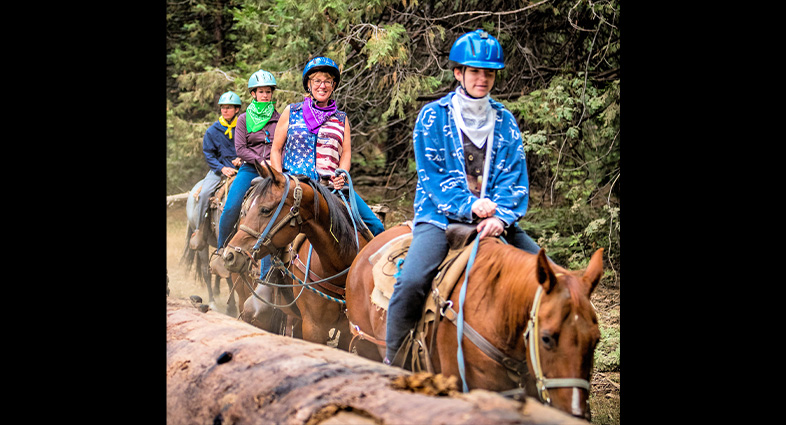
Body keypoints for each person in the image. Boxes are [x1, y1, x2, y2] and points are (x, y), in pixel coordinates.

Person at [384, 29, 544, 364]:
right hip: (440, 218)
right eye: (474, 71)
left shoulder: (505, 121)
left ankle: (537, 363)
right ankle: (393, 362)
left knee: (551, 278)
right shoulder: (433, 117)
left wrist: (500, 216)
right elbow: (432, 175)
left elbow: (515, 177)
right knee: (412, 282)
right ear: (459, 73)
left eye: (488, 72)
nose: (482, 79)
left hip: (494, 222)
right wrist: (469, 205)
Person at [269, 56, 385, 237]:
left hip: (331, 188)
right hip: (295, 186)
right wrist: (279, 180)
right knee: (271, 230)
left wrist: (341, 175)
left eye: (328, 81)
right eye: (317, 80)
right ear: (309, 84)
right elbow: (276, 149)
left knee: (375, 226)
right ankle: (269, 267)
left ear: (333, 86)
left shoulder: (341, 118)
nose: (322, 86)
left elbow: (345, 153)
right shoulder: (292, 111)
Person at [211, 70, 281, 277]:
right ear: (253, 94)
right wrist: (260, 160)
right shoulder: (242, 120)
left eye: (268, 91)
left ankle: (271, 268)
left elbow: (283, 144)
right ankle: (221, 249)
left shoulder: (279, 118)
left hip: (275, 169)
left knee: (277, 213)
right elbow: (240, 149)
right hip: (250, 168)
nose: (265, 95)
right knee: (231, 206)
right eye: (261, 91)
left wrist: (274, 162)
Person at [189, 91, 243, 246]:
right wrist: (222, 168)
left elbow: (249, 145)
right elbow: (209, 154)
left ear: (236, 109)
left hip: (242, 170)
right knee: (205, 193)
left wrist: (242, 158)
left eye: (229, 107)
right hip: (218, 171)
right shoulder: (212, 131)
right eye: (223, 108)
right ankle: (199, 230)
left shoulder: (243, 127)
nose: (225, 110)